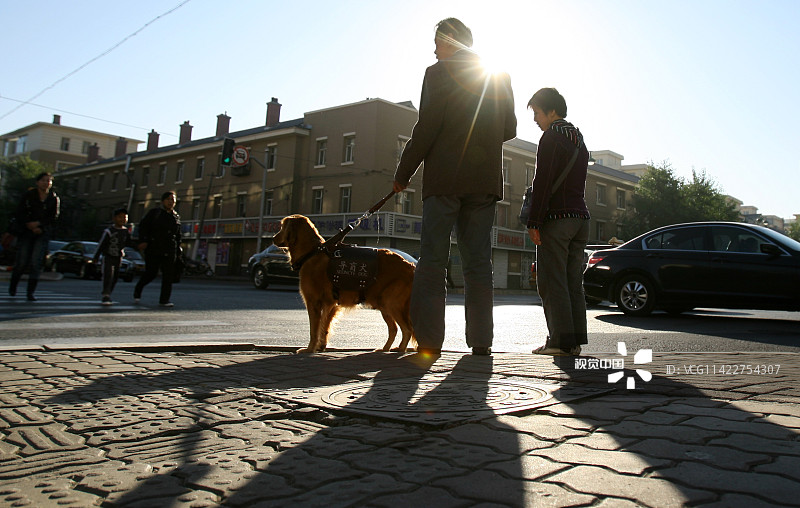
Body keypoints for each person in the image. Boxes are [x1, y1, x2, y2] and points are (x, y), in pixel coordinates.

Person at [393, 18, 517, 356]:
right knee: (478, 261)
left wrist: (404, 172)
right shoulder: (499, 75)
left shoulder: (437, 73)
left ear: (451, 40)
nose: (434, 49)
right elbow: (509, 127)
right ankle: (481, 342)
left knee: (433, 259)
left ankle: (429, 342)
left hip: (445, 179)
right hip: (484, 182)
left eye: (438, 42)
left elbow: (427, 126)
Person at [524, 88, 590, 356]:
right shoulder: (578, 139)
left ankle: (559, 342)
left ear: (551, 111)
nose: (535, 119)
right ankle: (573, 342)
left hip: (558, 219)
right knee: (573, 282)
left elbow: (543, 182)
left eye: (537, 113)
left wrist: (534, 220)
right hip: (581, 219)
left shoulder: (551, 138)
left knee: (551, 281)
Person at [8, 172, 60, 301]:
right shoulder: (29, 195)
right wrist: (29, 224)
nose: (46, 183)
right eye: (43, 180)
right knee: (22, 260)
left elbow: (53, 217)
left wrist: (40, 225)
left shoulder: (53, 198)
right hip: (26, 231)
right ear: (37, 182)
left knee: (36, 262)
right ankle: (13, 287)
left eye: (49, 181)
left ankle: (30, 292)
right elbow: (20, 212)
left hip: (42, 233)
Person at [133, 191, 182, 307]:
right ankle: (138, 288)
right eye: (168, 199)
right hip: (154, 248)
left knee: (168, 276)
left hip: (170, 249)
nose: (171, 202)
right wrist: (143, 240)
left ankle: (164, 300)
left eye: (173, 200)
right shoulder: (155, 213)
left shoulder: (176, 216)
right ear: (163, 201)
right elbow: (143, 226)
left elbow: (178, 234)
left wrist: (178, 249)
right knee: (151, 273)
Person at [92, 208, 136, 306]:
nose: (122, 219)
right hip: (108, 256)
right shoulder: (109, 231)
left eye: (125, 217)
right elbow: (101, 244)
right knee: (108, 275)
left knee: (115, 277)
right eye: (120, 217)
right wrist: (96, 257)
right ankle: (105, 294)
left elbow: (129, 243)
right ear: (114, 218)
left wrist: (139, 246)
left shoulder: (125, 232)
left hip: (118, 257)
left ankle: (109, 292)